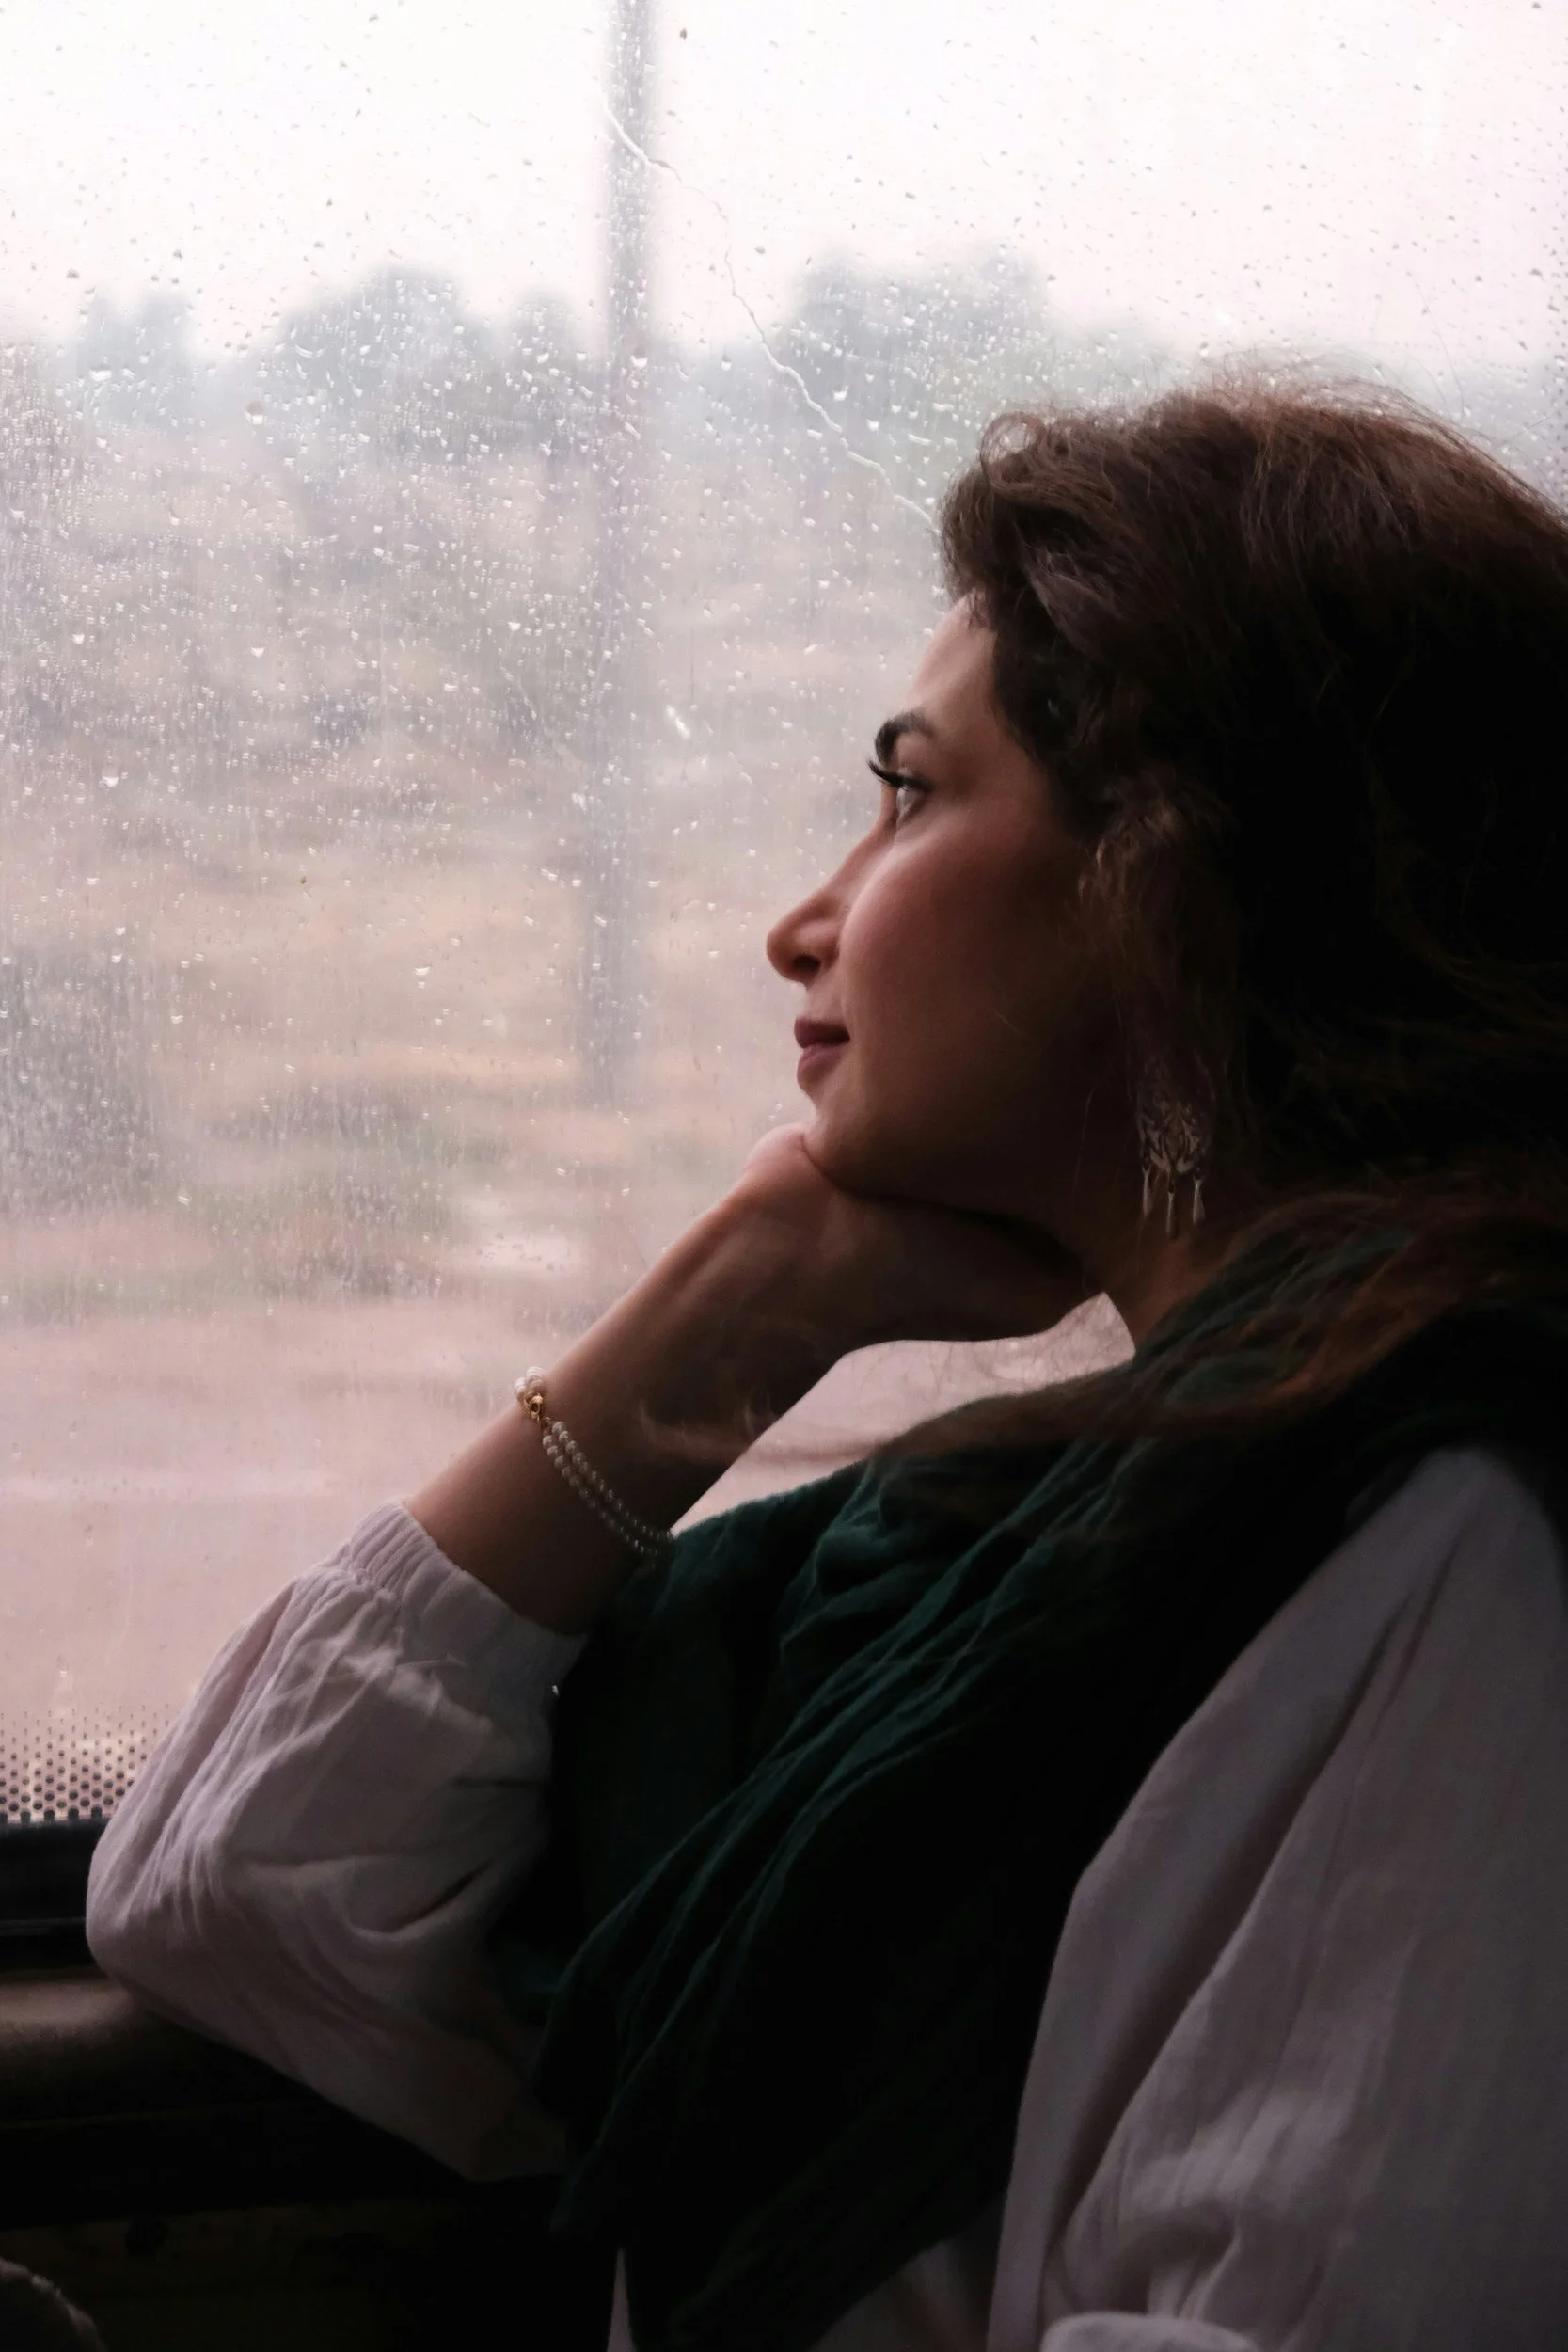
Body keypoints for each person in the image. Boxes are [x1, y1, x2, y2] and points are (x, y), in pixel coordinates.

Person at [87, 382, 1568, 2352]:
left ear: (1171, 875)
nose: (805, 921)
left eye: (910, 792)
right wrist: (748, 1297)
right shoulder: (1037, 1546)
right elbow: (246, 1889)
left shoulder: (1459, 1552)